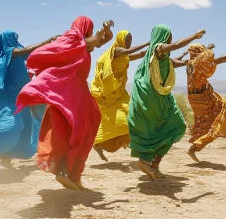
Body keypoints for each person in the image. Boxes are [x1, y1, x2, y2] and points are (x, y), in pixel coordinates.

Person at [15, 16, 113, 191]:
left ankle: (74, 176)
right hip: (72, 95)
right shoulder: (76, 40)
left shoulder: (80, 43)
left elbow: (103, 40)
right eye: (90, 28)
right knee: (72, 131)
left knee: (83, 130)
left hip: (75, 93)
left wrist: (106, 31)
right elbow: (98, 39)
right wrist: (102, 30)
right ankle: (63, 171)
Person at [128, 25, 206, 180]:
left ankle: (151, 164)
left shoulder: (155, 55)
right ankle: (149, 163)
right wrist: (194, 36)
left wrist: (188, 63)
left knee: (157, 131)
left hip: (154, 97)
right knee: (176, 126)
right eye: (169, 35)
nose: (170, 38)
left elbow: (171, 63)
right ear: (164, 36)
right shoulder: (158, 48)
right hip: (157, 98)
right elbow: (176, 45)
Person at [0, 31, 58, 167]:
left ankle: (7, 156)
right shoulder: (8, 53)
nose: (17, 41)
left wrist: (52, 46)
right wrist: (47, 39)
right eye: (14, 38)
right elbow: (27, 49)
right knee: (12, 124)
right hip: (10, 97)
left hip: (22, 96)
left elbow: (33, 51)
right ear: (8, 40)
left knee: (26, 126)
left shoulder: (18, 55)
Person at [175, 43, 226, 162]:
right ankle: (195, 147)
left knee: (204, 124)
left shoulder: (189, 64)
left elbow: (202, 58)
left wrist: (209, 48)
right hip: (204, 99)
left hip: (194, 100)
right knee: (216, 123)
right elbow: (222, 59)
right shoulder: (198, 64)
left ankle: (194, 148)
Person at [90, 30, 149, 162]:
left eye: (130, 40)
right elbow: (129, 51)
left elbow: (138, 54)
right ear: (121, 40)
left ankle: (100, 144)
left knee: (132, 114)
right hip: (108, 92)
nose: (129, 43)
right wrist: (147, 42)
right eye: (127, 40)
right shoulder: (116, 51)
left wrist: (153, 50)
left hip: (119, 91)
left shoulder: (124, 55)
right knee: (118, 120)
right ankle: (99, 142)